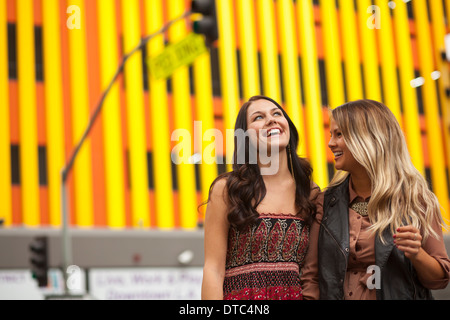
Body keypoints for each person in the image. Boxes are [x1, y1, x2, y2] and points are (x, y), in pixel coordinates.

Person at [301, 99, 450, 300]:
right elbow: (312, 277)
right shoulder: (325, 201)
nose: (331, 143)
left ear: (368, 138)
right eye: (331, 134)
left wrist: (417, 254)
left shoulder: (417, 200)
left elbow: (439, 280)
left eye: (339, 134)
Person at [201, 95, 319, 300]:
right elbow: (213, 269)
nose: (271, 120)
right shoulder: (227, 190)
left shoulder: (309, 192)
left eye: (277, 114)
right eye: (258, 117)